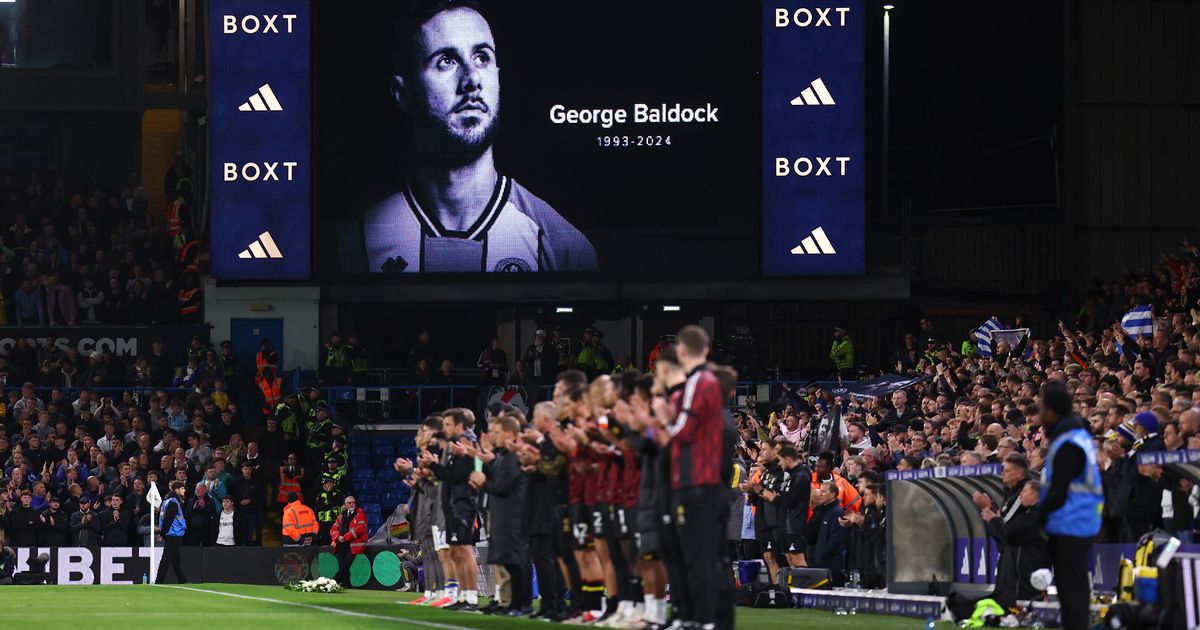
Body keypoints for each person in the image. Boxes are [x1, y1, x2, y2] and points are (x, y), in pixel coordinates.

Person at [348, 0, 598, 273]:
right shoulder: (355, 243)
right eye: (446, 61)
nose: (472, 80)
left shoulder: (564, 249)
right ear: (403, 94)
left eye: (482, 58)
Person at [1038, 383, 1102, 630]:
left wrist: (1038, 515)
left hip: (1071, 521)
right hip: (1076, 519)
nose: (1040, 413)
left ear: (1052, 411)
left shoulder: (1068, 442)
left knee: (1071, 589)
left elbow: (1059, 491)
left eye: (1042, 408)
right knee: (1072, 588)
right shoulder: (1074, 436)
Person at [470, 413, 530, 616]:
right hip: (503, 514)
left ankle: (518, 605)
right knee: (507, 561)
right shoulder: (504, 457)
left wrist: (482, 482)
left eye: (496, 432)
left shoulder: (511, 457)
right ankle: (510, 603)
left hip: (511, 516)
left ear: (510, 434)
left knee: (514, 561)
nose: (492, 435)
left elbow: (502, 487)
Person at [330, 495, 369, 587]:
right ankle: (346, 584)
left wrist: (346, 537)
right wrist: (338, 537)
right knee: (342, 564)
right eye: (349, 503)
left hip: (354, 544)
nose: (351, 504)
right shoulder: (341, 515)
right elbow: (334, 528)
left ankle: (335, 580)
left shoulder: (360, 514)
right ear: (345, 504)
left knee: (346, 563)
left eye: (353, 502)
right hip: (341, 544)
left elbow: (361, 529)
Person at [157, 481, 189, 583]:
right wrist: (162, 533)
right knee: (166, 558)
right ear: (177, 490)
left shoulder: (167, 501)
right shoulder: (174, 502)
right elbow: (169, 519)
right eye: (182, 488)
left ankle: (182, 580)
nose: (184, 490)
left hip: (171, 533)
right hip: (173, 533)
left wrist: (163, 532)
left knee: (175, 559)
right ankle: (158, 580)